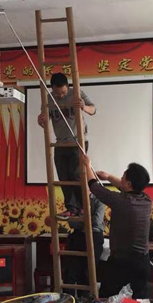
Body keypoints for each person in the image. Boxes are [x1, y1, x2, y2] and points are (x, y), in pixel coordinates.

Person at [82, 154, 152, 299]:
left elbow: (94, 187)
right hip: (142, 261)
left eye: (123, 177)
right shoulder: (146, 200)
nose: (120, 179)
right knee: (140, 301)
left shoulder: (120, 201)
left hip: (122, 262)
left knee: (106, 297)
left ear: (129, 184)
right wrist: (107, 176)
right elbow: (123, 186)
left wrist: (87, 165)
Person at [37, 73, 96, 219]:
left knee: (76, 175)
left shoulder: (77, 93)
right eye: (58, 93)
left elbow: (93, 110)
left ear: (68, 87)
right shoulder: (49, 98)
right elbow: (44, 121)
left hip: (78, 142)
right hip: (61, 143)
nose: (61, 96)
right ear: (52, 88)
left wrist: (83, 107)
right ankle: (71, 208)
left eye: (63, 92)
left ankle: (83, 206)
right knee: (63, 176)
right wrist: (41, 120)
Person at [63, 191, 105, 292]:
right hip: (78, 235)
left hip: (94, 236)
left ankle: (85, 299)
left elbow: (97, 221)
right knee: (71, 271)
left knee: (88, 272)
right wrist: (86, 220)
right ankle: (69, 299)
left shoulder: (98, 199)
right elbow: (72, 223)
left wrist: (81, 218)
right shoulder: (74, 201)